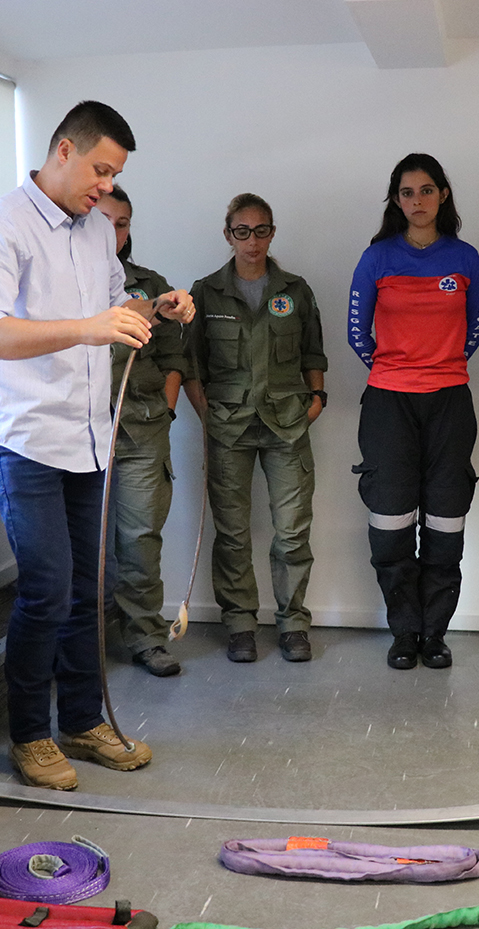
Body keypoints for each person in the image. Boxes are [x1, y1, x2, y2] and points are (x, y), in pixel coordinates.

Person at [0, 101, 195, 790]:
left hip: (89, 435)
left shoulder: (95, 231)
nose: (106, 186)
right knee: (47, 588)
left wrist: (158, 309)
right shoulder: (0, 224)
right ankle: (31, 735)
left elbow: (117, 311)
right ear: (64, 149)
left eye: (115, 175)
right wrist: (88, 328)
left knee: (90, 589)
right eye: (100, 170)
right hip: (23, 435)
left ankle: (84, 723)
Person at [349, 153, 479, 670]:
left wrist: (437, 368)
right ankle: (405, 632)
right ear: (396, 200)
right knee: (390, 521)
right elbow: (357, 333)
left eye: (427, 190)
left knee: (446, 521)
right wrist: (396, 371)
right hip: (388, 403)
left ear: (442, 195)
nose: (418, 200)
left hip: (450, 401)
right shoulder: (377, 257)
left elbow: (474, 331)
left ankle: (435, 635)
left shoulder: (465, 258)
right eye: (407, 193)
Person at [183, 193, 327, 664]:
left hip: (287, 424)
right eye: (242, 232)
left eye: (261, 230)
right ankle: (240, 625)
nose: (252, 241)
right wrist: (207, 415)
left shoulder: (295, 290)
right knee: (233, 534)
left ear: (271, 233)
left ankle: (293, 624)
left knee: (292, 531)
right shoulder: (206, 292)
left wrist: (317, 401)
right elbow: (191, 364)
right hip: (229, 428)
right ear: (228, 235)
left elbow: (313, 353)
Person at [95, 187, 190, 677]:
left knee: (138, 538)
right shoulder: (63, 284)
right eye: (105, 220)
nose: (114, 232)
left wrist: (167, 410)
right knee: (82, 542)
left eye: (123, 223)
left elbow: (174, 357)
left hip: (142, 428)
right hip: (79, 430)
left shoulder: (150, 288)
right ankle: (82, 642)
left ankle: (146, 638)